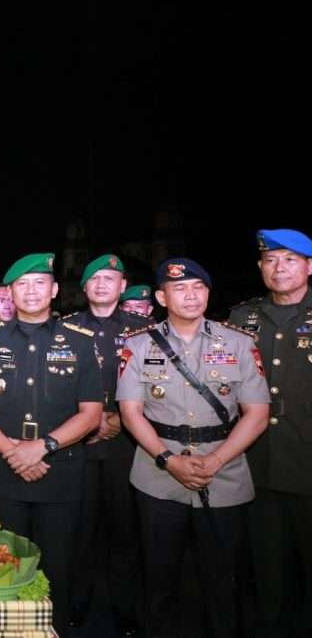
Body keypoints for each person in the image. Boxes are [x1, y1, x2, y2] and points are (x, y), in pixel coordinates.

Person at [118, 257, 269, 638]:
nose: (191, 295)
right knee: (160, 577)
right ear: (161, 297)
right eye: (180, 289)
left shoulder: (239, 342)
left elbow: (257, 413)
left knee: (223, 579)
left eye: (198, 288)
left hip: (225, 470)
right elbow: (131, 412)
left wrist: (216, 459)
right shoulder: (137, 346)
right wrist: (169, 460)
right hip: (157, 472)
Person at [0, 253, 102, 638]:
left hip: (60, 475)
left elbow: (91, 414)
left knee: (57, 571)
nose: (31, 291)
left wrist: (43, 447)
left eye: (39, 283)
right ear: (9, 293)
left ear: (55, 290)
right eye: (21, 285)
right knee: (1, 566)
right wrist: (14, 452)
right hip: (1, 474)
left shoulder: (78, 342)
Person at [228, 229, 312, 638]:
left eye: (290, 259)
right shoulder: (242, 317)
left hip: (307, 460)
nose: (280, 268)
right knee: (266, 569)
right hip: (257, 463)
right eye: (271, 260)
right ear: (261, 268)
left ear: (309, 266)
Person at [61, 255, 149, 636]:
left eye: (109, 278)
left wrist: (116, 421)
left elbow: (155, 386)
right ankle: (75, 604)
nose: (101, 284)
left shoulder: (144, 330)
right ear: (84, 287)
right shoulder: (63, 328)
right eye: (93, 278)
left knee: (124, 533)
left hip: (123, 447)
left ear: (122, 284)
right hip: (75, 447)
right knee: (77, 532)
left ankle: (125, 608)